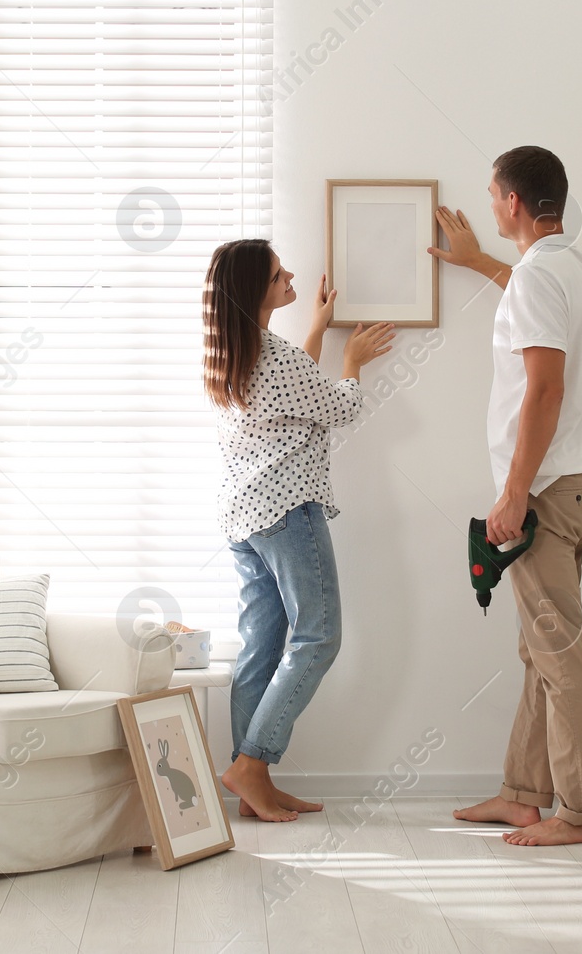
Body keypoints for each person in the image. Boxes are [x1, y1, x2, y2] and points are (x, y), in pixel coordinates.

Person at [429, 146, 582, 846]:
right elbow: (526, 292)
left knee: (559, 654)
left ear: (510, 201)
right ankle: (524, 793)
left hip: (542, 490)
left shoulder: (542, 276)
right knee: (542, 651)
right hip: (572, 486)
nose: (490, 202)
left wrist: (513, 493)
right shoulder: (571, 269)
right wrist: (477, 261)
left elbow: (544, 389)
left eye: (491, 194)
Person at [202, 238, 394, 821]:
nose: (290, 276)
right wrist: (354, 361)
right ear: (254, 290)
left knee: (262, 645)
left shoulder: (235, 355)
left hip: (244, 516)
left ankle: (250, 776)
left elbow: (296, 394)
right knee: (319, 636)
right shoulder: (274, 358)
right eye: (278, 274)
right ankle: (253, 765)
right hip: (287, 510)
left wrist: (316, 326)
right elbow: (337, 406)